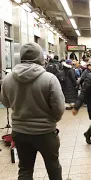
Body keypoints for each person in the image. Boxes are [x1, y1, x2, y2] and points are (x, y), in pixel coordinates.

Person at [0, 42, 65, 179]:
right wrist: (51, 120)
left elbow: (5, 102)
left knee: (25, 169)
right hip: (45, 133)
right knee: (53, 166)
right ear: (40, 57)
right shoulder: (49, 79)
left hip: (20, 132)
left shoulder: (8, 79)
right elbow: (59, 107)